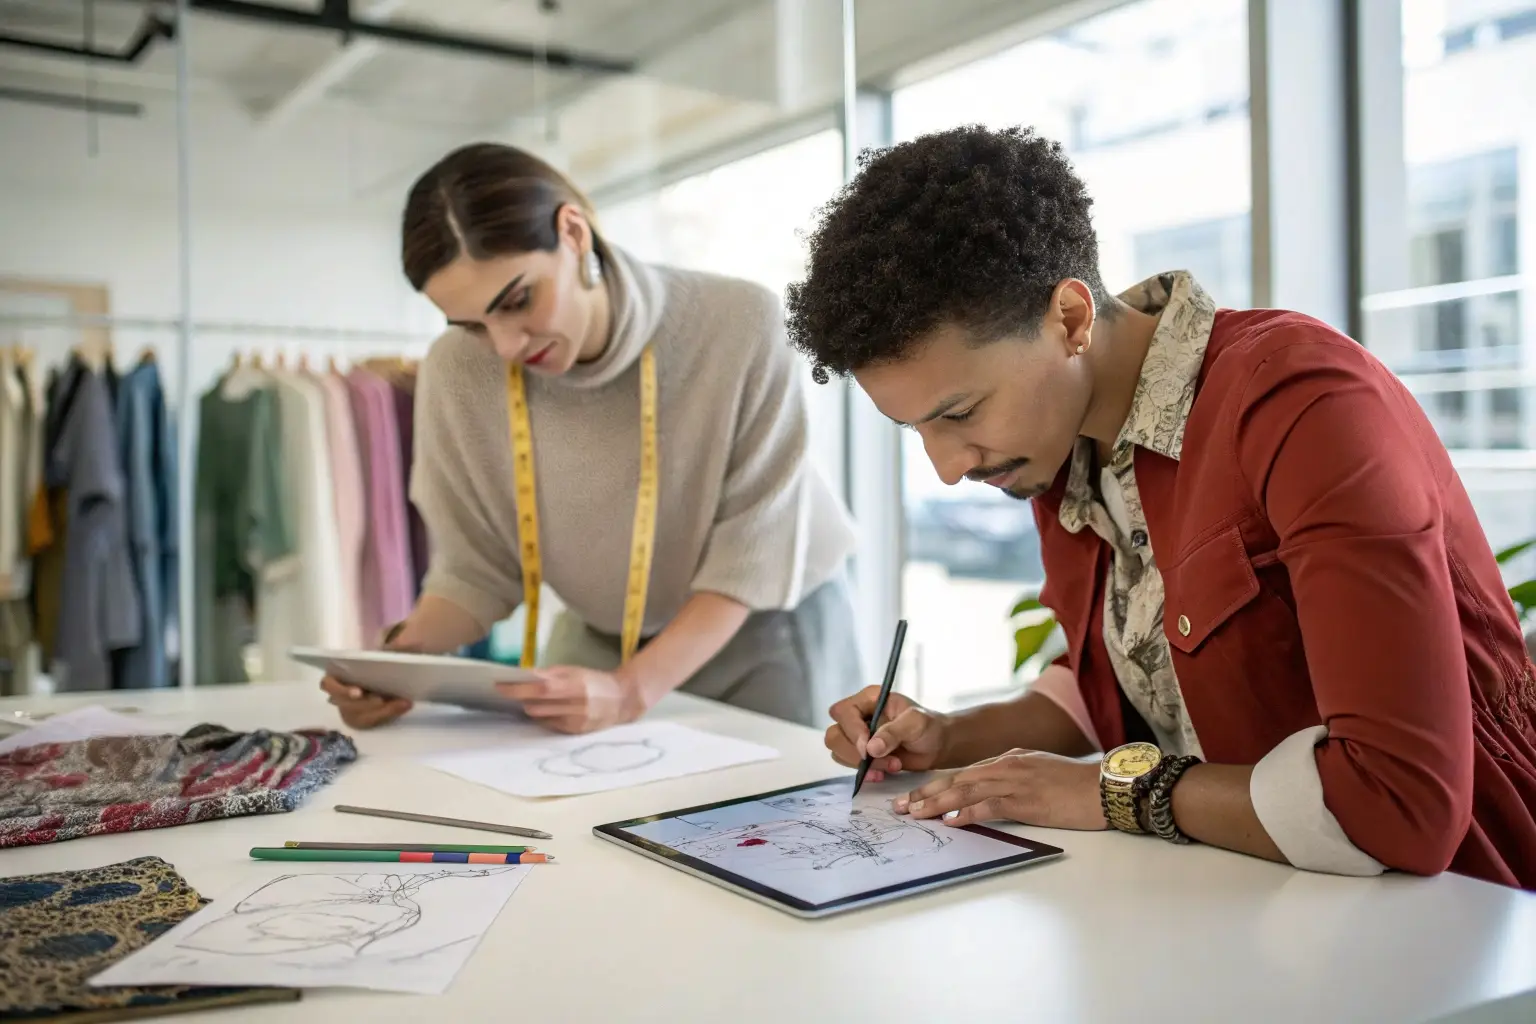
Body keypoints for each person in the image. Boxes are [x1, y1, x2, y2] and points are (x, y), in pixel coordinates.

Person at [793, 125, 1536, 889]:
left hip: (1468, 910)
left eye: (960, 413)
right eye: (914, 429)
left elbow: (1398, 802)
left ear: (1071, 320)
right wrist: (949, 737)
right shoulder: (1060, 448)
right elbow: (1127, 676)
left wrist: (1110, 790)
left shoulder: (1302, 404)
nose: (948, 467)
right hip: (1265, 903)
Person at [322, 142, 859, 734]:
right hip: (602, 640)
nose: (505, 345)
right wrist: (396, 666)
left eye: (518, 300)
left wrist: (630, 692)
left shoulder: (740, 324)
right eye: (473, 324)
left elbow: (750, 557)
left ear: (573, 233)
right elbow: (473, 572)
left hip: (765, 628)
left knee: (779, 820)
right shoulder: (458, 370)